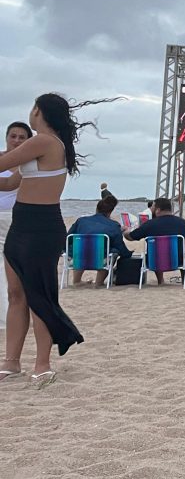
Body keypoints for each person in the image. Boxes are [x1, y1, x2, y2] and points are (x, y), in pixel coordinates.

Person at [0, 94, 104, 385]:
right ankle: (11, 361)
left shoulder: (44, 141)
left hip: (41, 226)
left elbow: (3, 163)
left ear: (39, 111)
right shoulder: (41, 146)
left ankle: (42, 363)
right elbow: (9, 182)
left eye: (32, 108)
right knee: (16, 293)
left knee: (39, 297)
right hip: (21, 224)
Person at [0, 122, 34, 321]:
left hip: (21, 218)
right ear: (6, 137)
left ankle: (16, 315)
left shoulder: (31, 164)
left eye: (22, 137)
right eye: (13, 136)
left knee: (18, 271)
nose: (17, 141)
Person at [66, 195, 130, 286]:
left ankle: (76, 281)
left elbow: (69, 238)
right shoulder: (114, 225)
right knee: (113, 251)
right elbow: (119, 246)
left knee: (80, 247)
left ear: (96, 208)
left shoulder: (81, 221)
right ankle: (99, 282)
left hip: (77, 260)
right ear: (110, 212)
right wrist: (127, 254)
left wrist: (66, 251)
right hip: (99, 261)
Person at [125, 197, 185, 283]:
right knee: (184, 250)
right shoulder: (182, 223)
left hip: (154, 262)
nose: (151, 210)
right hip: (178, 261)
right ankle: (184, 280)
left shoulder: (149, 224)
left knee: (156, 250)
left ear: (158, 210)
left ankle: (160, 280)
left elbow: (131, 237)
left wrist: (125, 232)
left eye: (152, 208)